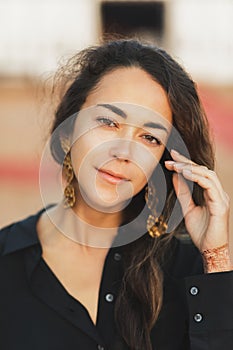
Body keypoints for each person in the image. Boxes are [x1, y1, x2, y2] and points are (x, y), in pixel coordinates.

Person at [0, 39, 232, 350]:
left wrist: (216, 259)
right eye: (108, 122)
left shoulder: (189, 270)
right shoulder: (6, 262)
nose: (124, 151)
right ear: (68, 130)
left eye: (149, 137)